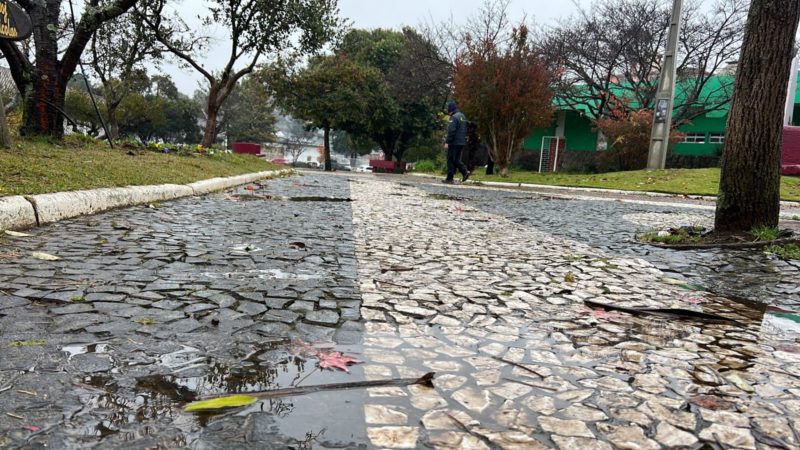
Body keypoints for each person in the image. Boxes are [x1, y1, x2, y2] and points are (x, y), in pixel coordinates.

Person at [443, 101, 470, 184]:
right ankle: (463, 172)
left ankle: (452, 177)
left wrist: (447, 142)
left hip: (454, 142)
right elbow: (466, 128)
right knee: (455, 159)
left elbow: (452, 131)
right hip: (461, 142)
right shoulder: (462, 116)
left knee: (450, 160)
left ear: (450, 110)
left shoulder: (454, 117)